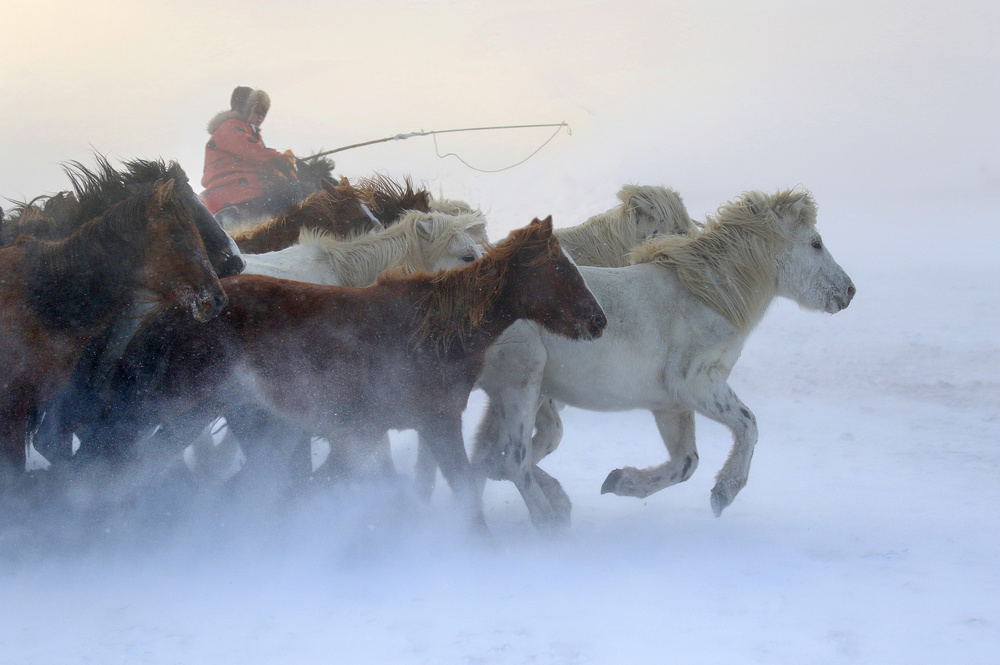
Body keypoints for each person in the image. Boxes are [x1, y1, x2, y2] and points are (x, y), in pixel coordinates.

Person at [200, 86, 300, 227]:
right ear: (245, 109)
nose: (260, 117)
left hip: (242, 193)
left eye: (264, 113)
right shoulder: (230, 127)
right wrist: (281, 159)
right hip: (235, 195)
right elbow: (255, 154)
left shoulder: (248, 132)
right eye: (257, 111)